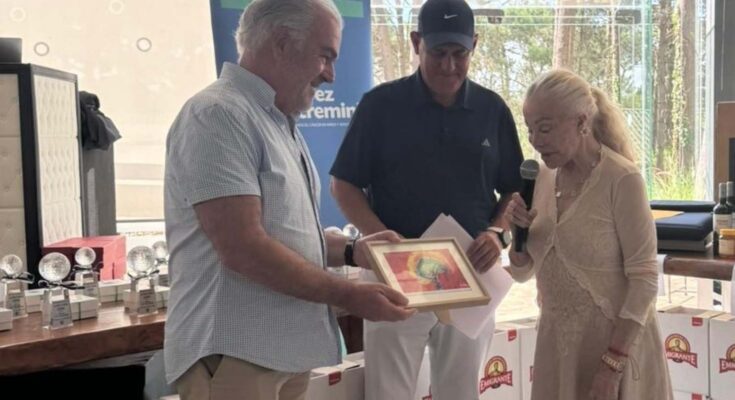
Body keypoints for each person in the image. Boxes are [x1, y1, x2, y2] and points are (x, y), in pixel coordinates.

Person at [162, 1, 415, 399]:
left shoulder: (276, 122)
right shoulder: (217, 115)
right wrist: (348, 294)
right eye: (325, 56)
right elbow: (244, 248)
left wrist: (354, 251)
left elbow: (286, 235)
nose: (331, 75)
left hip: (279, 354)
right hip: (236, 354)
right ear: (281, 43)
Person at [329, 0, 523, 398]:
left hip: (470, 273)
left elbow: (513, 190)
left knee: (462, 391)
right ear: (416, 42)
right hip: (395, 274)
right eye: (438, 53)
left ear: (474, 45)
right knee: (389, 392)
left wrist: (496, 233)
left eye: (459, 54)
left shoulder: (492, 109)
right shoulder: (380, 106)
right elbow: (343, 184)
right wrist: (381, 241)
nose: (449, 66)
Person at [505, 69, 673, 400]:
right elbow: (524, 272)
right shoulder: (540, 179)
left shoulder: (622, 179)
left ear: (582, 122)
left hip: (615, 354)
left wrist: (612, 365)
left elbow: (644, 281)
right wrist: (518, 238)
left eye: (545, 128)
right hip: (558, 353)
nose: (535, 141)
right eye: (530, 129)